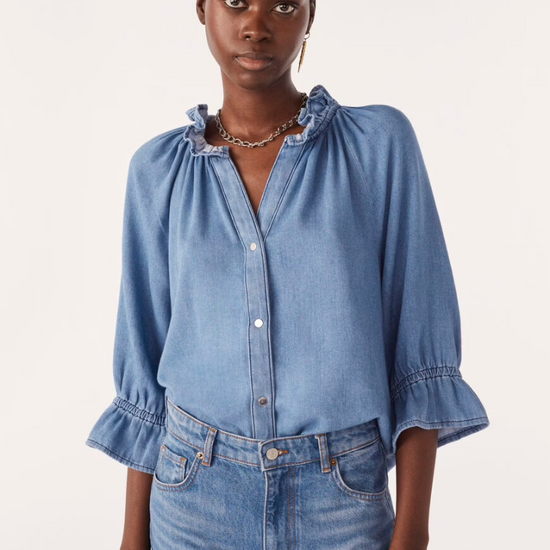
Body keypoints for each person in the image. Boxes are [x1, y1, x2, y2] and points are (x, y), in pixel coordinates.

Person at [85, 1, 490, 549]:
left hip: (341, 500)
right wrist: (133, 538)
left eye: (282, 5)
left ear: (310, 15)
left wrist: (411, 533)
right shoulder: (158, 173)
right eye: (235, 2)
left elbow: (418, 352)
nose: (255, 26)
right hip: (192, 496)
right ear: (202, 8)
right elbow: (145, 366)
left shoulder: (377, 147)